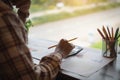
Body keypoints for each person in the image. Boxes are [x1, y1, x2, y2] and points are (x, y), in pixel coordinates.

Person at [0, 0, 74, 80]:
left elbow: (17, 42)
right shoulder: (3, 14)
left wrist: (22, 13)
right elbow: (32, 77)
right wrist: (59, 53)